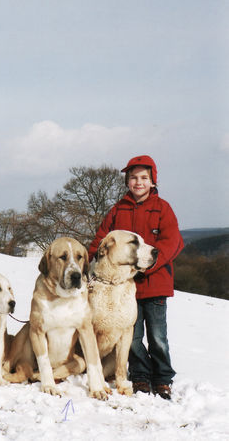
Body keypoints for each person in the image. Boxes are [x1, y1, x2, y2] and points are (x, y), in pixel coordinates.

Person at [88, 155, 184, 400]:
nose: (138, 182)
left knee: (157, 336)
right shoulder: (117, 209)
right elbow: (102, 239)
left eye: (144, 178)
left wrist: (147, 266)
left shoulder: (163, 208)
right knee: (132, 338)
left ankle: (162, 379)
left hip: (155, 284)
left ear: (153, 182)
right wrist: (88, 262)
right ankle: (140, 376)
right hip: (123, 287)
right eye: (133, 178)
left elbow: (172, 242)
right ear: (127, 181)